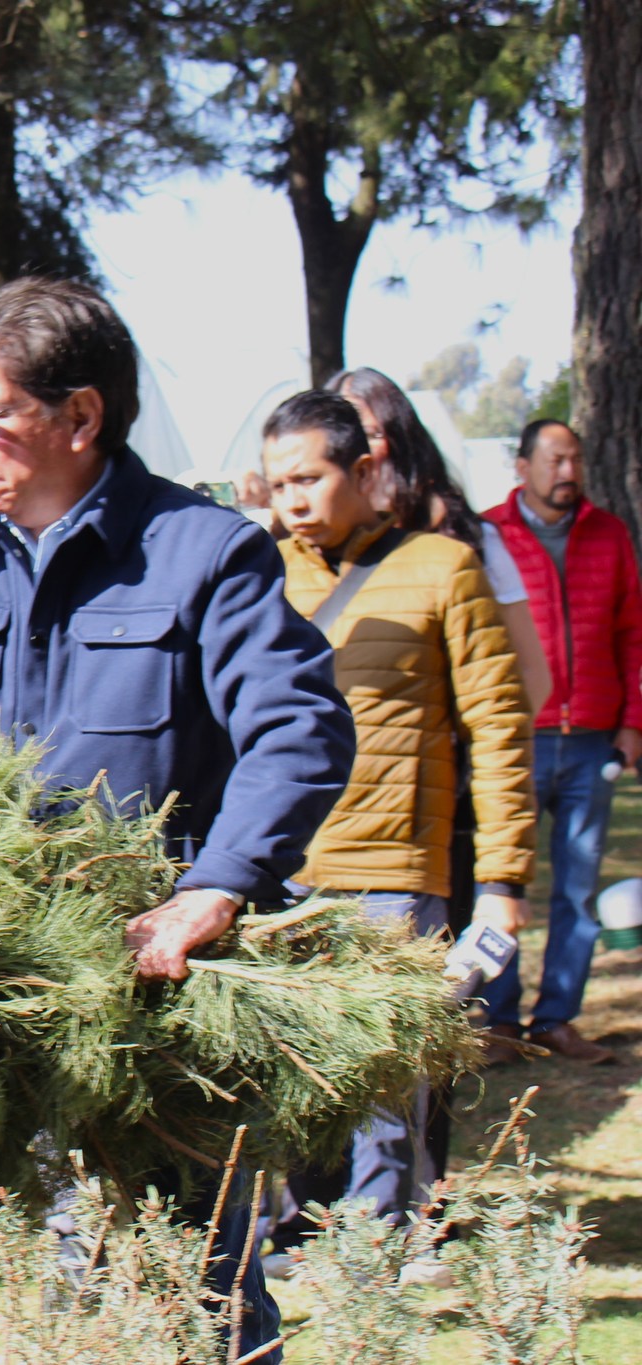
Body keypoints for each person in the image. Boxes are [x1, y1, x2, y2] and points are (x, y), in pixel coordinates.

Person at [0, 278, 354, 1362]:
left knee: (189, 1295)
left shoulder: (202, 553)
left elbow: (297, 736)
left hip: (139, 993)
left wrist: (209, 891)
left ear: (79, 418)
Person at [258, 390, 533, 1246]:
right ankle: (302, 1246)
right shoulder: (253, 569)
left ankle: (374, 1263)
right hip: (281, 871)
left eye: (309, 477)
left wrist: (501, 883)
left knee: (388, 1093)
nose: (292, 499)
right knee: (294, 1081)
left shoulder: (445, 566)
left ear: (366, 471)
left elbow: (497, 728)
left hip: (395, 873)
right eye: (276, 483)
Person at [480, 418, 642, 1065]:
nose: (567, 471)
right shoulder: (490, 532)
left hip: (593, 741)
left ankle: (556, 1020)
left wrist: (632, 723)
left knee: (577, 890)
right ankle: (497, 1021)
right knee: (502, 883)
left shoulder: (610, 534)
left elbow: (634, 633)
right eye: (554, 459)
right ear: (522, 467)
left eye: (574, 458)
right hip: (516, 740)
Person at [328, 367, 551, 714]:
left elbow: (532, 673)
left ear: (400, 438)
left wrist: (488, 760)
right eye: (342, 436)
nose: (359, 452)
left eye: (371, 433)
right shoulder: (299, 552)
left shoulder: (469, 540)